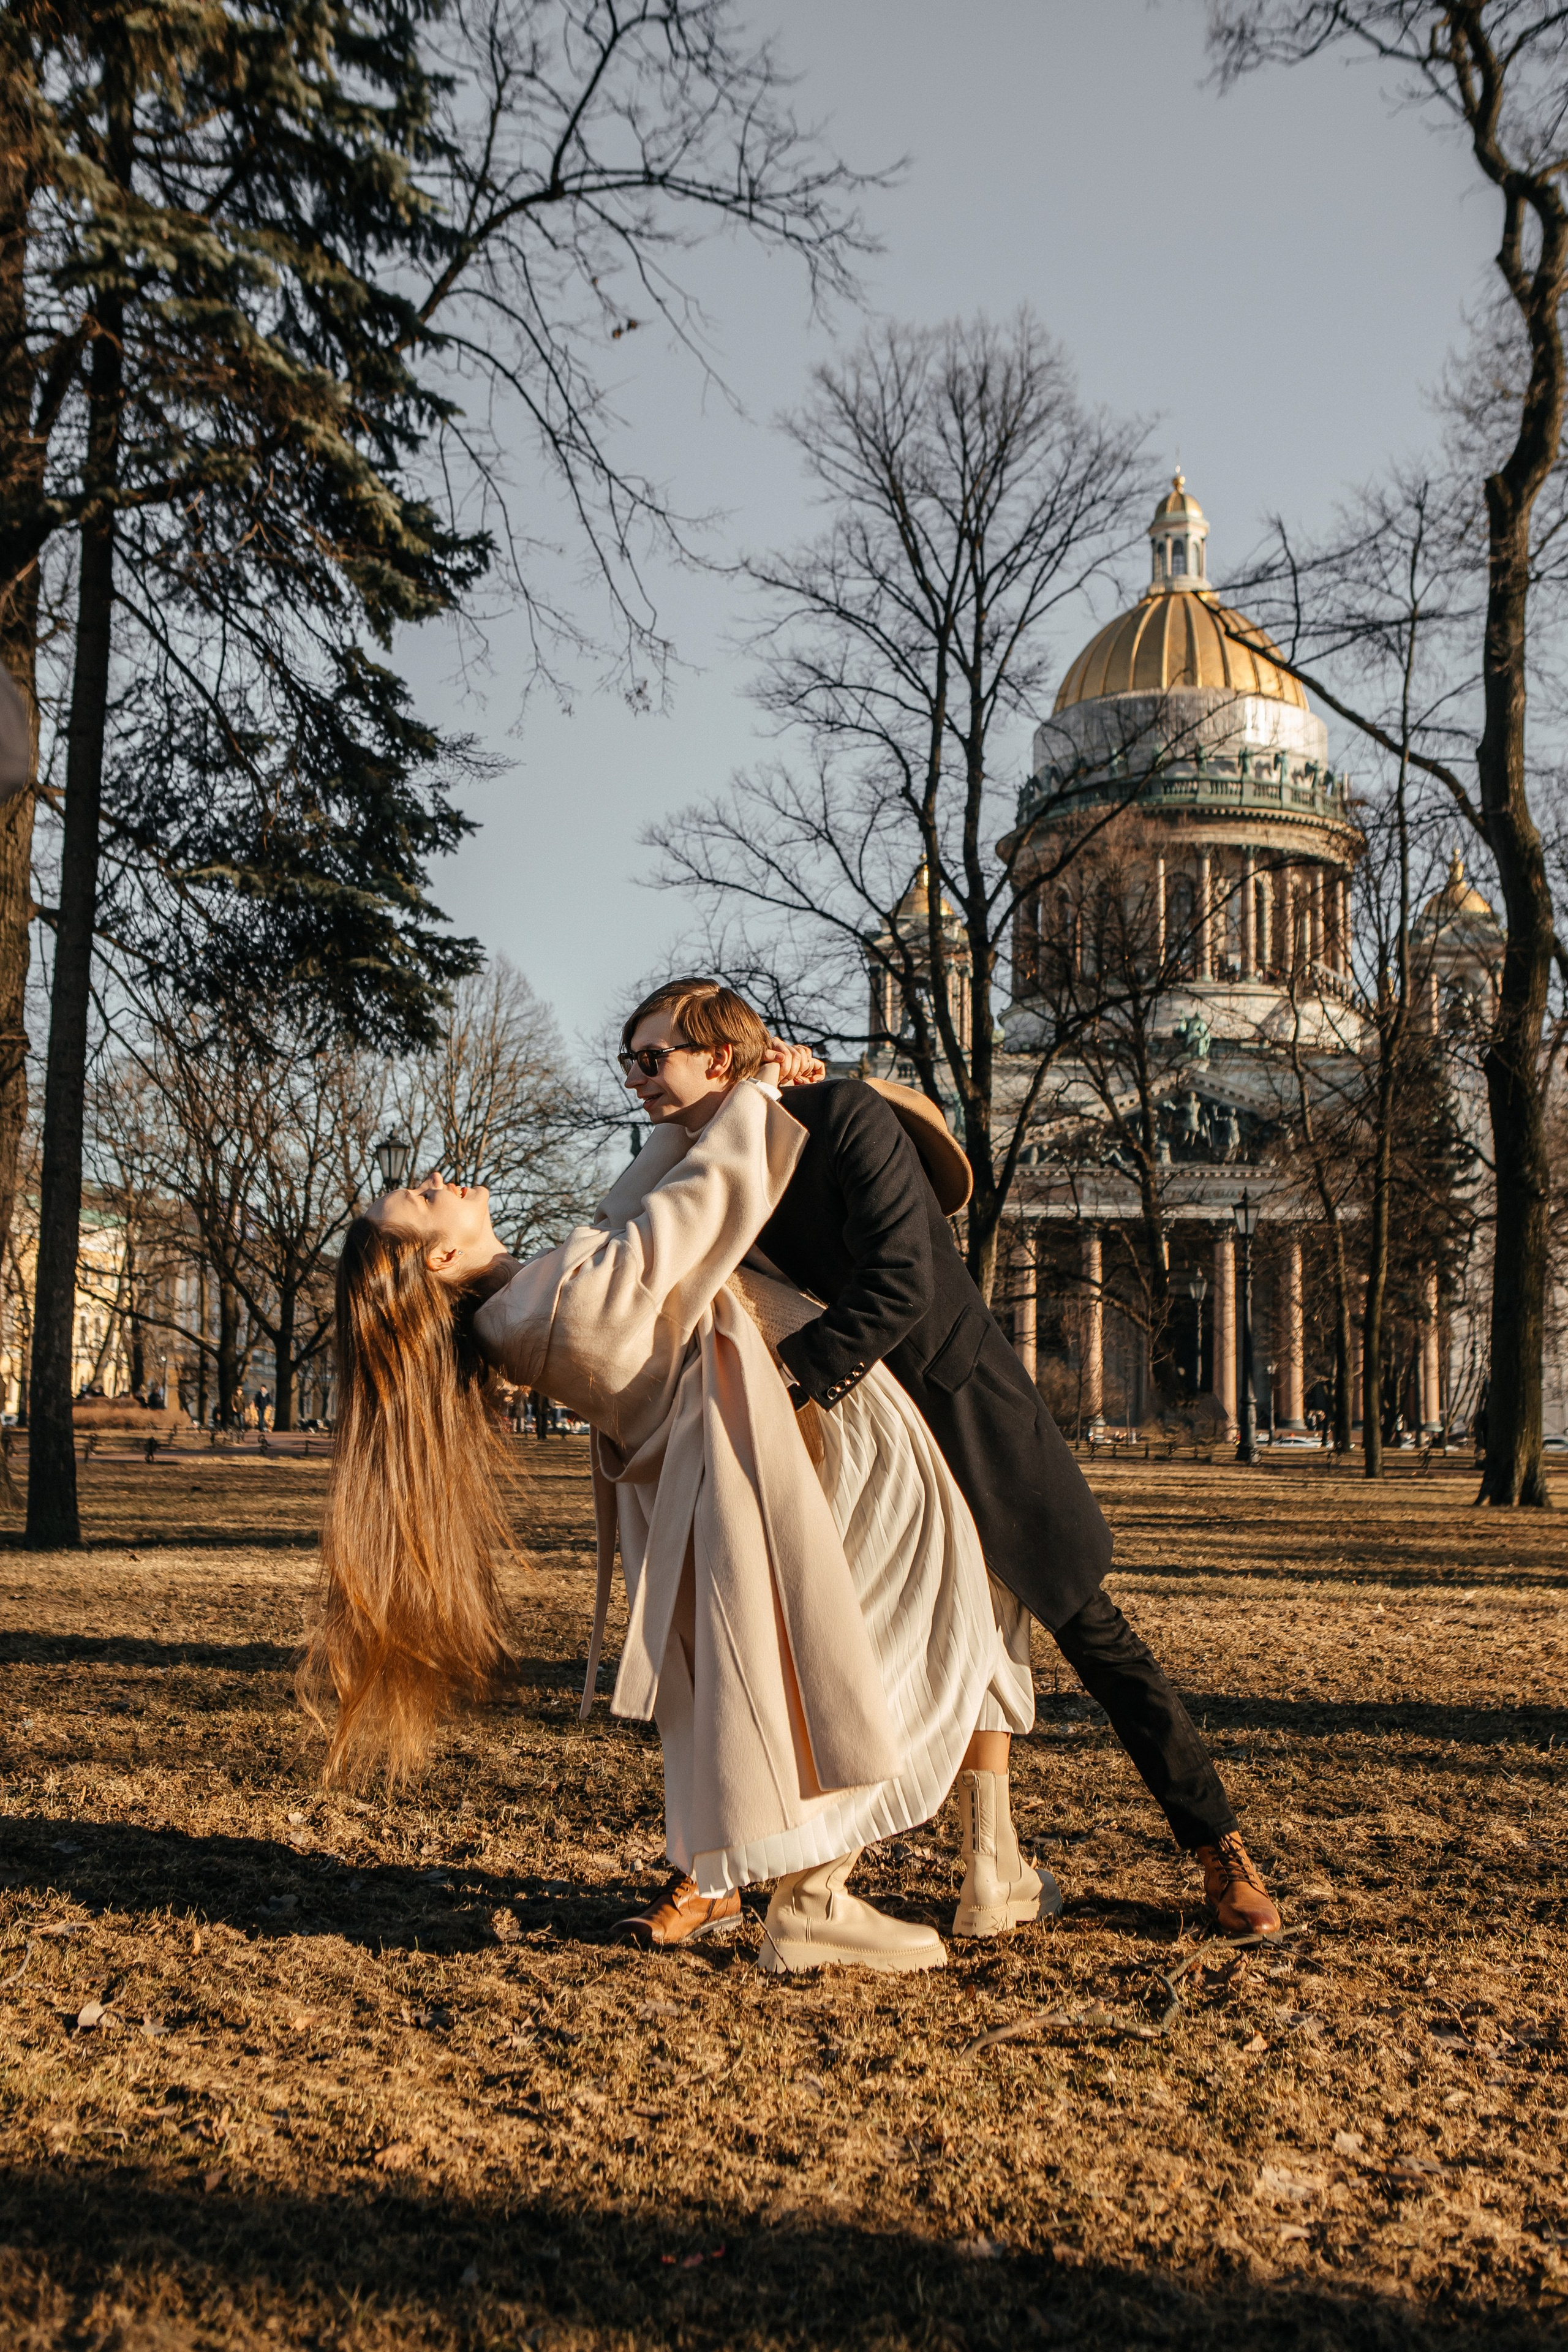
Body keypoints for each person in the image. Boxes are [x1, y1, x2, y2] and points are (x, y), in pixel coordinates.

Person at [300, 1006, 1041, 1976]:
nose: (437, 1182)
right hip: (798, 1443)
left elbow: (648, 1192)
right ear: (439, 1260)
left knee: (887, 1631)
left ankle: (873, 1880)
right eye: (422, 1199)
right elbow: (691, 1209)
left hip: (789, 1439)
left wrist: (731, 1087)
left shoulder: (535, 1296)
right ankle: (816, 1901)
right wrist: (757, 1096)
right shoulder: (544, 1311)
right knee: (897, 1632)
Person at [623, 979, 1280, 1942]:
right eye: (628, 1062)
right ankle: (727, 1872)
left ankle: (1219, 1846)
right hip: (853, 1447)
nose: (633, 1079)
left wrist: (790, 1384)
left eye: (650, 1058)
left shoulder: (844, 1114)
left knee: (1098, 1643)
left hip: (967, 1422)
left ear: (718, 1058)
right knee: (805, 1652)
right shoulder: (707, 1171)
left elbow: (904, 1279)